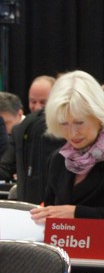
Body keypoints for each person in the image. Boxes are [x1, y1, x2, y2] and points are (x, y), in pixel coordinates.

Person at [30, 71, 104, 222]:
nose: (72, 133)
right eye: (64, 124)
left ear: (99, 117)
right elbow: (51, 213)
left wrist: (77, 213)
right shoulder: (58, 159)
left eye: (79, 123)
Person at [0, 76, 63, 204]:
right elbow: (5, 168)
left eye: (43, 102)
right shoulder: (20, 129)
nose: (37, 107)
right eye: (33, 102)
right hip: (30, 206)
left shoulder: (68, 130)